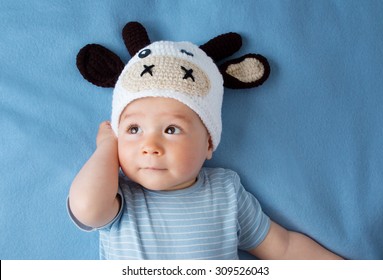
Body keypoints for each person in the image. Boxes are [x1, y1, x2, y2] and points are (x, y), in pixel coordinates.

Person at [69, 23, 343, 260]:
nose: (150, 145)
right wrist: (106, 147)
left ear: (209, 144)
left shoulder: (226, 193)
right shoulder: (118, 195)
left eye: (172, 130)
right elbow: (87, 208)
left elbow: (283, 248)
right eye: (133, 128)